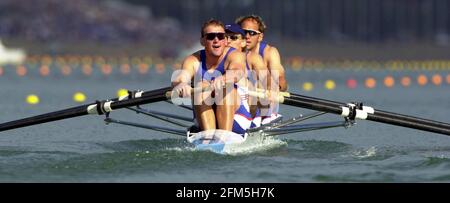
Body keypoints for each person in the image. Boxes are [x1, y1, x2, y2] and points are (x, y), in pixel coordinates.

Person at [171, 19, 253, 136]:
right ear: (202, 41)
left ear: (225, 40)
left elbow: (237, 72)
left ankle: (224, 137)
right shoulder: (193, 60)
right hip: (203, 123)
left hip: (237, 120)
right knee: (201, 87)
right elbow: (182, 76)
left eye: (220, 36)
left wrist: (222, 79)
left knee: (225, 89)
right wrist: (182, 84)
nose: (216, 40)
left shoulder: (235, 55)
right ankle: (209, 137)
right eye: (211, 36)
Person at [236, 15, 288, 124]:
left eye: (252, 33)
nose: (247, 36)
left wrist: (274, 88)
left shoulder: (269, 53)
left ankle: (266, 117)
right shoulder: (232, 51)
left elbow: (280, 80)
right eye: (244, 32)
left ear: (260, 37)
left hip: (266, 102)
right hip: (241, 101)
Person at [224, 23, 269, 128]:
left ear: (243, 42)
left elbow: (267, 86)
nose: (228, 41)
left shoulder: (253, 58)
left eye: (233, 38)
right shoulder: (212, 61)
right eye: (224, 37)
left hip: (250, 115)